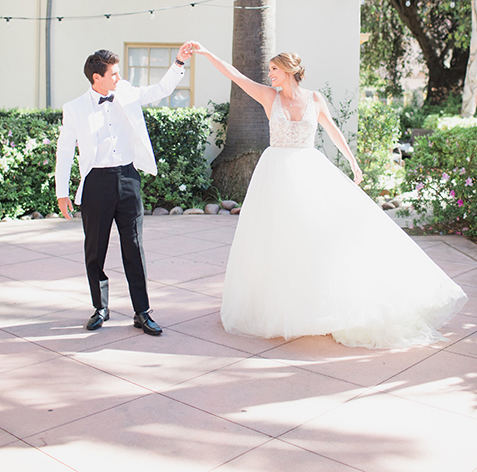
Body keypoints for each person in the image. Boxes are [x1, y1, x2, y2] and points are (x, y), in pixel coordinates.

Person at [192, 43, 468, 349]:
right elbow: (237, 77)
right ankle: (286, 307)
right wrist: (206, 54)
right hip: (275, 175)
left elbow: (333, 130)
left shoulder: (315, 98)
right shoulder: (269, 96)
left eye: (273, 69)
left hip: (309, 170)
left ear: (288, 71)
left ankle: (323, 306)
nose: (269, 74)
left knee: (319, 239)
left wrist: (352, 161)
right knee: (279, 242)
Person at [55, 44, 193, 335]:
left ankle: (142, 312)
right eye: (114, 73)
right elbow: (65, 151)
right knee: (95, 250)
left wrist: (179, 61)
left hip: (128, 179)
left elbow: (161, 89)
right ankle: (100, 308)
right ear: (97, 77)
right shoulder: (75, 108)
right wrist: (62, 191)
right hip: (96, 183)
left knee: (134, 247)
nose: (119, 77)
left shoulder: (127, 92)